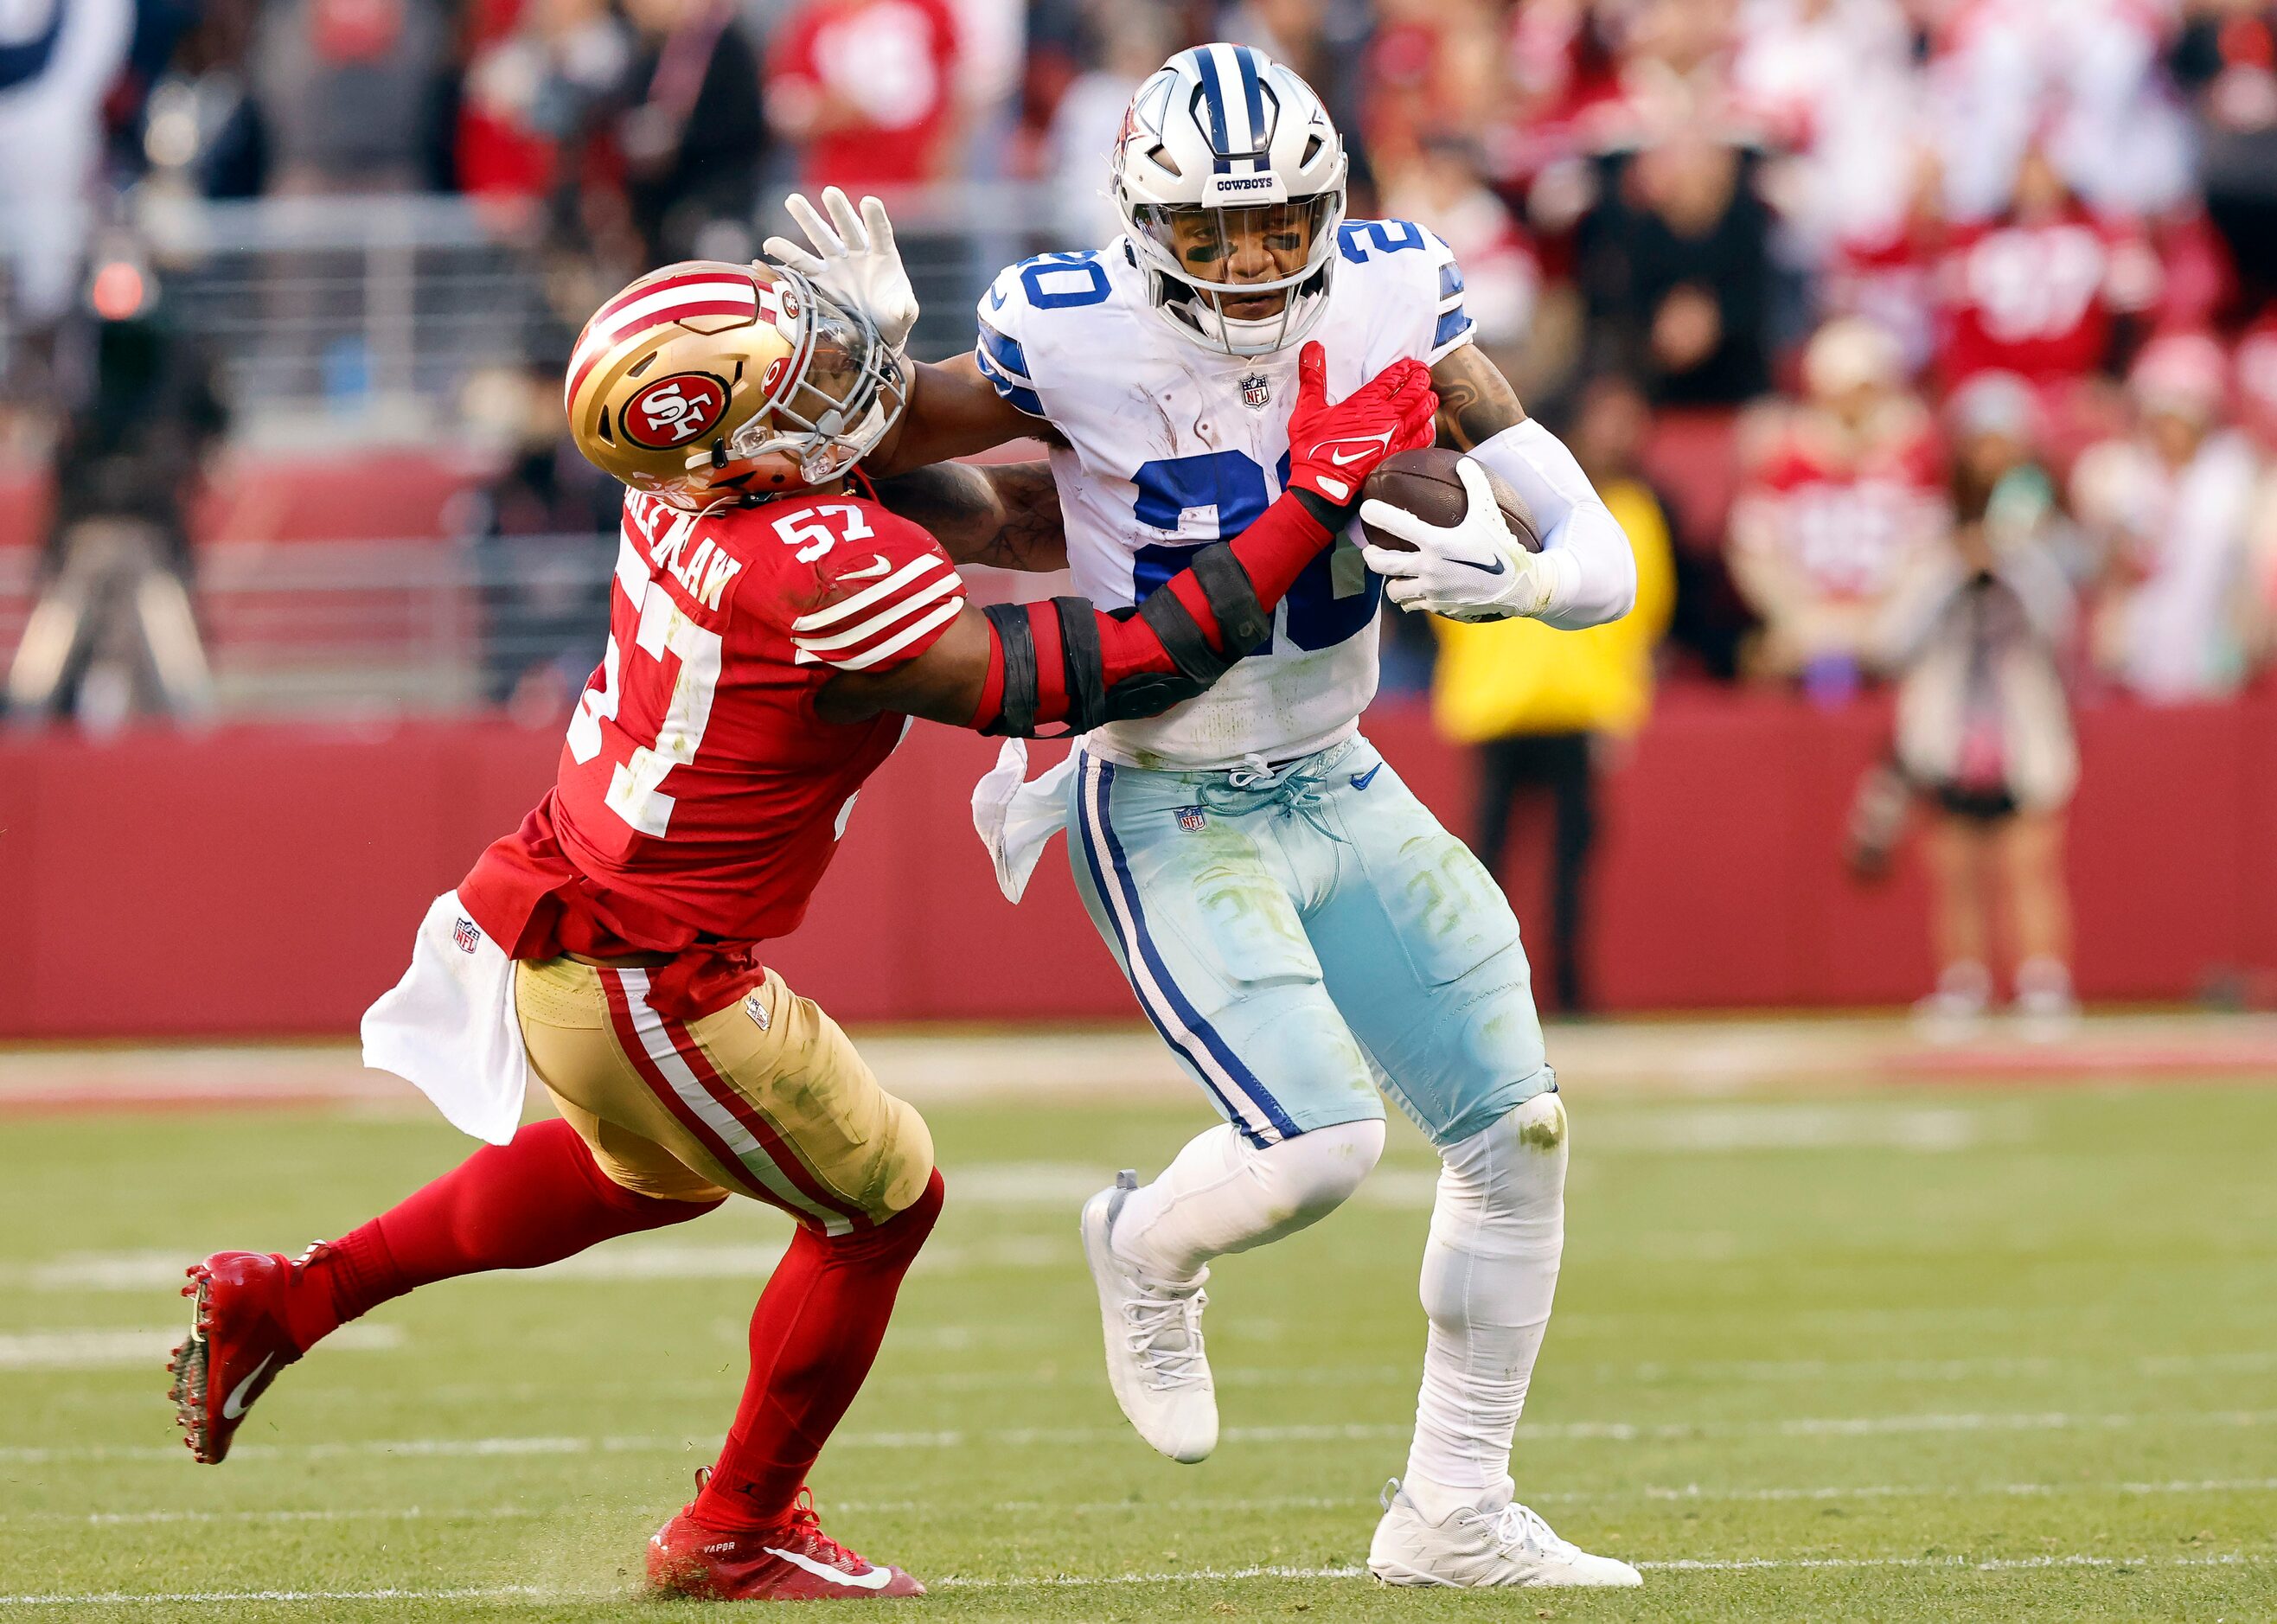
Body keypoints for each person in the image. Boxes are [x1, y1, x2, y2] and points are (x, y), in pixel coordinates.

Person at [166, 253, 1436, 1601]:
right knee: (885, 1201)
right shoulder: (806, 563)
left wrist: (1168, 427)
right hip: (653, 974)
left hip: (583, 936)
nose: (834, 380)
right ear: (722, 441)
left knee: (648, 1174)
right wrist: (1308, 495)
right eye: (795, 373)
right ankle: (735, 1524)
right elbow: (1114, 663)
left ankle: (291, 1298)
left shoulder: (699, 495)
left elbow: (1007, 509)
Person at [766, 42, 1642, 1589]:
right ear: (1136, 219)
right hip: (1162, 788)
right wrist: (872, 365)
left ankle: (1451, 1509)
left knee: (1519, 1132)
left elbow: (1591, 541)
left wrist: (1529, 578)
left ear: (1327, 203)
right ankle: (1142, 1240)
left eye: (1273, 220)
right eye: (1206, 228)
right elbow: (871, 455)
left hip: (1335, 767)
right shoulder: (1066, 330)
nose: (1244, 258)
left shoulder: (1390, 291)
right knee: (1315, 1147)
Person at [1430, 374, 1676, 1015]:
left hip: (1577, 709)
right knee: (1485, 869)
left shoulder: (1636, 509)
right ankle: (1480, 996)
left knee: (1570, 869)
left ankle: (1568, 993)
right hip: (1499, 706)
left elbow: (1641, 618)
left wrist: (1622, 708)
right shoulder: (1517, 499)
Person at [1877, 371, 2080, 1039]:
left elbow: (2060, 627)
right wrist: (1953, 570)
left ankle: (2041, 981)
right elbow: (1896, 635)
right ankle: (1962, 982)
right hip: (1950, 721)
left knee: (2029, 860)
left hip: (2021, 720)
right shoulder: (1931, 532)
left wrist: (2013, 562)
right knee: (1954, 862)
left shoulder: (2046, 529)